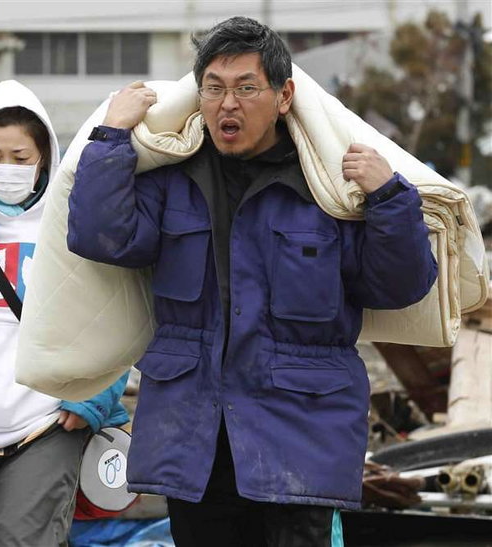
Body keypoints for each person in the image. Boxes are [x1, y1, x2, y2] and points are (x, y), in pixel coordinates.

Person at [67, 17, 437, 547]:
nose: (227, 104)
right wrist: (111, 136)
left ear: (284, 95)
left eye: (245, 88)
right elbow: (99, 237)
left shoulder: (328, 185)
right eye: (213, 89)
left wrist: (388, 200)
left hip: (299, 440)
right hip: (194, 438)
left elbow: (399, 286)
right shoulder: (174, 175)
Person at [0, 80, 129, 546]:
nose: (5, 169)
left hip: (44, 424)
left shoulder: (73, 220)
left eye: (20, 158)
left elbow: (118, 312)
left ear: (44, 159)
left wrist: (91, 400)